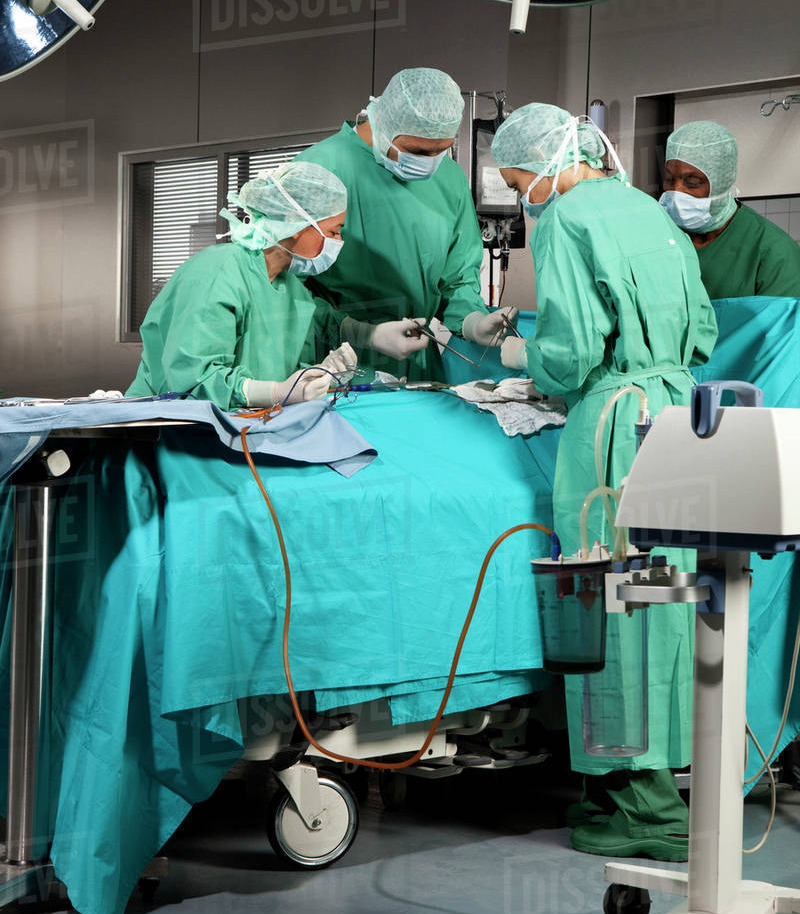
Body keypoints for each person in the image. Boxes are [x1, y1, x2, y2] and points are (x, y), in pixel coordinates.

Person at [493, 103, 719, 862]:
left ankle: (635, 802)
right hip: (681, 416)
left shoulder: (565, 216)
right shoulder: (647, 212)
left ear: (550, 164)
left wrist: (524, 357)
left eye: (519, 179)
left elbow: (573, 348)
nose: (522, 194)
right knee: (665, 595)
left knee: (611, 602)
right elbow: (704, 331)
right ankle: (658, 779)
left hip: (617, 426)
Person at [298, 67, 517, 380]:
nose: (430, 162)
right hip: (336, 364)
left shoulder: (449, 179)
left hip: (420, 366)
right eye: (418, 151)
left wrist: (472, 321)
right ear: (383, 123)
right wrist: (362, 332)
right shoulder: (318, 170)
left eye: (441, 150)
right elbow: (285, 290)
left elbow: (456, 279)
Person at [127, 161, 359, 410]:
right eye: (334, 232)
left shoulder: (293, 289)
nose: (338, 242)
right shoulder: (218, 272)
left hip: (248, 428)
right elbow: (194, 382)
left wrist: (318, 379)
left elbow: (287, 368)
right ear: (296, 224)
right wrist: (278, 392)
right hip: (171, 430)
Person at [660, 120, 800, 298]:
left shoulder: (773, 251)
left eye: (692, 182)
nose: (677, 191)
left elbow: (781, 323)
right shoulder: (659, 237)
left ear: (721, 182)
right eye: (669, 179)